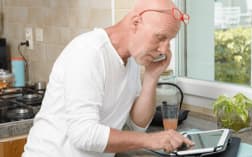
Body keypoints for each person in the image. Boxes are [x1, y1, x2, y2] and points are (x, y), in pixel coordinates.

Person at [22, 0, 192, 157]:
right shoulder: (89, 51)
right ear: (135, 23)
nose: (164, 49)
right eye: (160, 37)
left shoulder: (131, 60)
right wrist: (153, 140)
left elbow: (138, 126)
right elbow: (83, 134)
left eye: (169, 41)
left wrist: (151, 77)